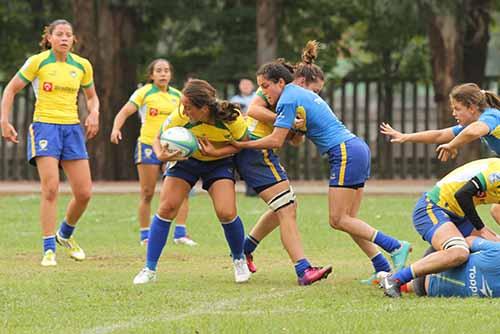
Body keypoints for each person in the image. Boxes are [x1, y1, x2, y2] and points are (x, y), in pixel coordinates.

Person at [231, 59, 412, 285]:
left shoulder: (288, 97)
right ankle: (382, 268)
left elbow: (277, 140)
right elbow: (290, 135)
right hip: (356, 148)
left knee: (338, 219)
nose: (263, 92)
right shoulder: (296, 95)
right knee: (349, 220)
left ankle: (395, 246)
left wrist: (241, 145)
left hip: (344, 152)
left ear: (281, 82)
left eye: (266, 87)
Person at [0, 19, 99, 266]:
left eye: (68, 35)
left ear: (73, 40)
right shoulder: (38, 62)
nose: (64, 38)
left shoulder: (82, 65)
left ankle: (64, 234)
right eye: (60, 34)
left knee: (84, 193)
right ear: (50, 38)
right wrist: (4, 121)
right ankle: (48, 250)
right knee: (51, 188)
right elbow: (10, 90)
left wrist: (94, 112)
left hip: (72, 129)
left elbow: (92, 97)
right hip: (45, 127)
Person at [133, 79, 251, 284]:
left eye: (188, 107)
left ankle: (239, 259)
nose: (184, 111)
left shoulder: (232, 118)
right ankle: (149, 269)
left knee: (226, 212)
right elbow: (157, 137)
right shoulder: (180, 115)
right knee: (167, 208)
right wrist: (161, 155)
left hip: (219, 163)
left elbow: (244, 144)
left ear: (204, 108)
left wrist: (217, 151)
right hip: (186, 161)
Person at [234, 41, 332, 285]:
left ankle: (245, 249)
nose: (315, 96)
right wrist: (286, 121)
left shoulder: (298, 100)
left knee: (286, 207)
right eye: (314, 90)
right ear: (299, 82)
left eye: (319, 92)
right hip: (257, 149)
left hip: (263, 151)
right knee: (286, 209)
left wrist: (298, 127)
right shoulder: (274, 88)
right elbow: (253, 111)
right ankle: (303, 269)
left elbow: (295, 141)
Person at [380, 83, 500, 223]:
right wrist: (405, 137)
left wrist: (452, 145)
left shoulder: (491, 116)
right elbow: (440, 135)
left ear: (472, 108)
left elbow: (475, 131)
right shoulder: (476, 122)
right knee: (497, 210)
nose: (454, 113)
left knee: (496, 210)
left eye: (457, 108)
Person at [380, 158, 500, 297]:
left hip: (458, 216)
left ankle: (394, 277)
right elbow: (462, 194)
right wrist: (482, 229)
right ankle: (395, 279)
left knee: (495, 244)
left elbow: (496, 210)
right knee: (458, 252)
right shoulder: (496, 172)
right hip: (433, 207)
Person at [110, 59, 196, 246]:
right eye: (159, 71)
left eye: (166, 71)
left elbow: (188, 118)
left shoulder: (177, 95)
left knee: (183, 190)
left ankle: (180, 233)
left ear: (171, 74)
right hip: (148, 145)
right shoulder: (144, 93)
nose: (163, 74)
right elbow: (124, 112)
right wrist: (116, 128)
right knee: (147, 192)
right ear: (151, 75)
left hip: (174, 148)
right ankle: (145, 235)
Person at [400, 237, 500, 298]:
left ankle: (394, 278)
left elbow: (469, 240)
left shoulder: (497, 250)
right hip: (425, 288)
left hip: (428, 271)